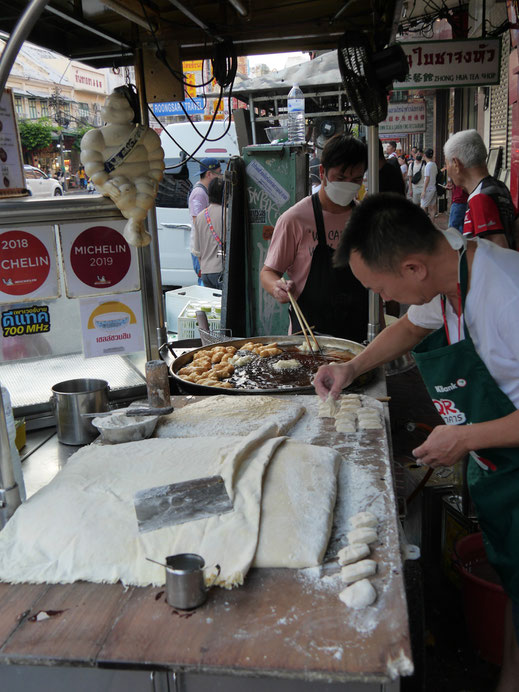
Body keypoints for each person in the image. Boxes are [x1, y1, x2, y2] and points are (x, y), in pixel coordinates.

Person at [314, 192, 519, 692]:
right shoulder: (448, 279)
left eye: (379, 286)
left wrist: (467, 436)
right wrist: (353, 365)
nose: (383, 299)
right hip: (499, 470)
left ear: (412, 269)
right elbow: (407, 328)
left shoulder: (507, 297)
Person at [260, 134, 369, 343]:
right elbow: (268, 272)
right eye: (340, 178)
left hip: (359, 340)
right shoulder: (295, 219)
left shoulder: (366, 217)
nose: (349, 185)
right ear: (322, 172)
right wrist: (277, 287)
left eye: (356, 179)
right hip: (309, 341)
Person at [444, 129, 516, 249]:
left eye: (447, 163)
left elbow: (498, 251)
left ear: (456, 163)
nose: (447, 169)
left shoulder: (479, 198)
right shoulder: (500, 186)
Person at [188, 158, 222, 285]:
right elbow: (198, 223)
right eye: (218, 173)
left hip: (206, 250)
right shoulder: (199, 193)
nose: (221, 176)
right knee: (206, 287)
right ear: (209, 174)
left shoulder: (205, 192)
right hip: (202, 251)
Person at [192, 177, 224, 290]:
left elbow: (196, 250)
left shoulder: (200, 216)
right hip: (221, 272)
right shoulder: (227, 215)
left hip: (206, 273)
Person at [421, 148, 438, 221]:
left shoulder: (428, 165)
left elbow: (427, 178)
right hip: (433, 188)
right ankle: (432, 221)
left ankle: (425, 223)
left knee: (423, 206)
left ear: (424, 155)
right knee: (432, 206)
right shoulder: (434, 164)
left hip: (428, 189)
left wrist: (424, 190)